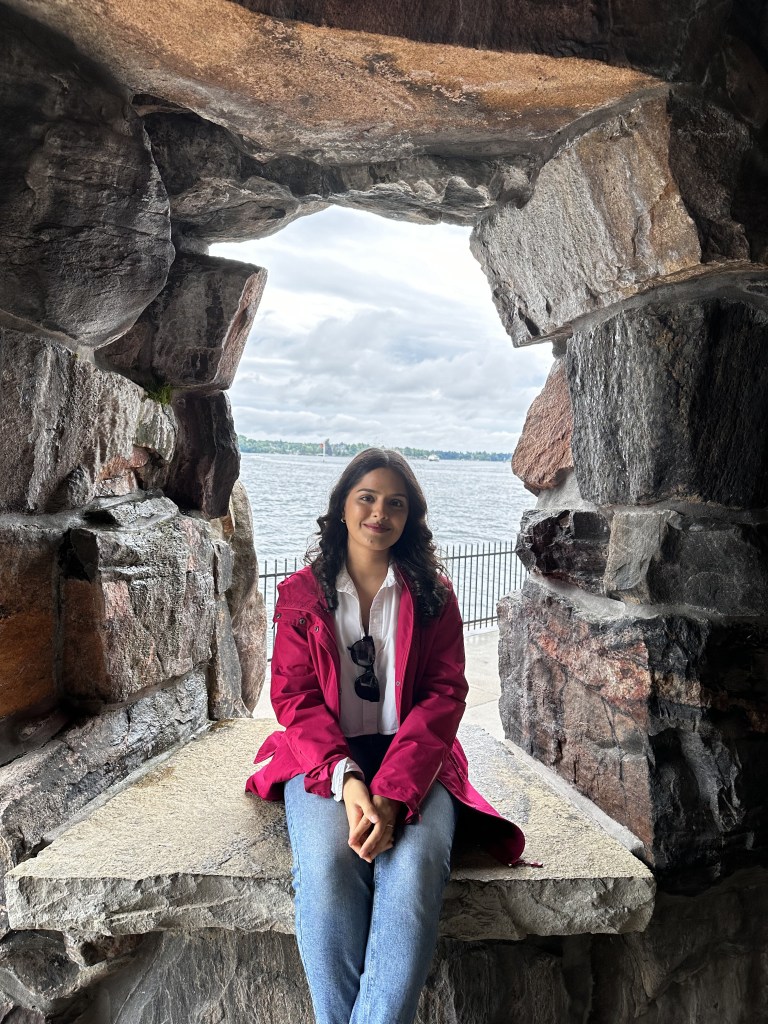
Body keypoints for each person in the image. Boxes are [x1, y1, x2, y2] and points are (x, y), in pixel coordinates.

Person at [246, 448, 524, 1024]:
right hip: (323, 757)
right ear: (342, 509)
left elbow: (444, 696)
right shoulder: (301, 595)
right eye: (366, 498)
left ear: (410, 517)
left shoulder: (435, 596)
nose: (380, 512)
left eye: (395, 503)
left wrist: (394, 795)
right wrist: (348, 782)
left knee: (417, 863)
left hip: (416, 759)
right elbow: (293, 699)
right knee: (327, 864)